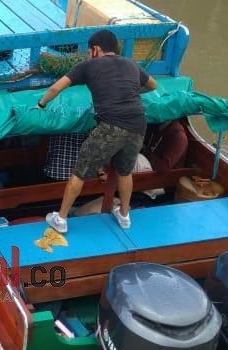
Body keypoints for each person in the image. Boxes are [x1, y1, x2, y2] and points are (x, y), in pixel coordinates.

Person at [36, 29, 158, 232]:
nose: (87, 54)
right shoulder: (131, 64)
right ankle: (124, 215)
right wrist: (130, 91)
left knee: (80, 172)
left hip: (111, 126)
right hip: (138, 125)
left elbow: (56, 88)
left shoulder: (88, 66)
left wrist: (41, 104)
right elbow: (153, 85)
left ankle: (61, 219)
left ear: (95, 49)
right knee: (124, 171)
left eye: (88, 51)